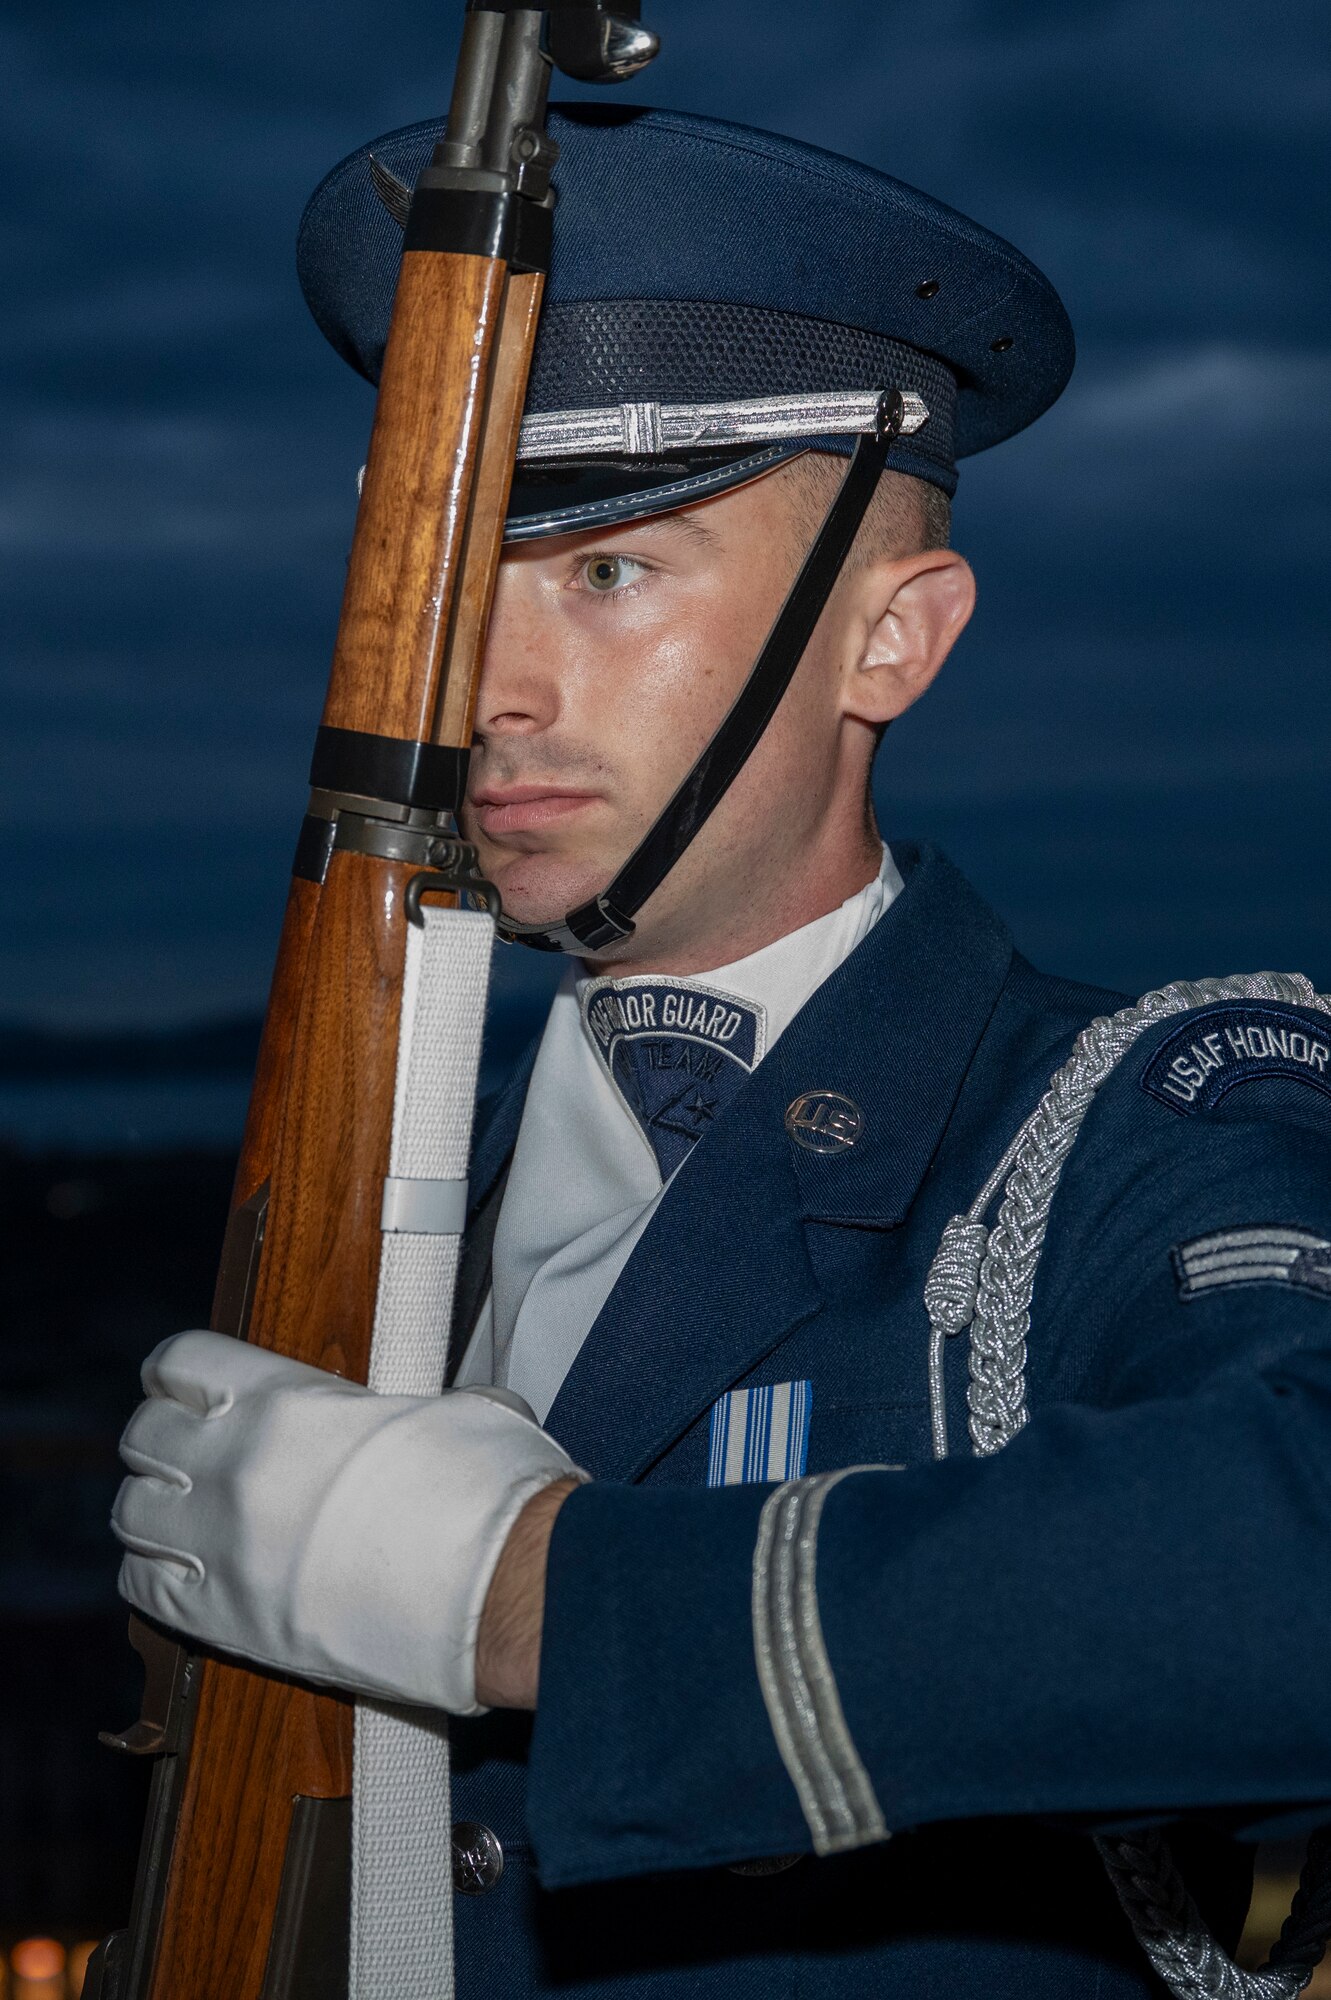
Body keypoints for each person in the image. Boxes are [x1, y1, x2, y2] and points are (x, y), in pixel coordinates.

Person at [112, 107, 1331, 1999]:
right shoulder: (399, 1201)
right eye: (462, 594)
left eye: (611, 573)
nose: (490, 694)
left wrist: (527, 1596)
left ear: (893, 643)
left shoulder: (1141, 1123)